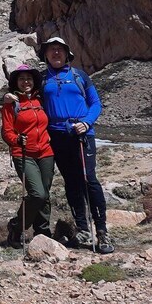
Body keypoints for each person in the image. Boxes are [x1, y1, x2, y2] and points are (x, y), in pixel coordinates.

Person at [38, 36, 114, 254]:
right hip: (57, 136)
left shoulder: (80, 76)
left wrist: (86, 122)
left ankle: (102, 231)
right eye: (51, 50)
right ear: (46, 55)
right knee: (71, 181)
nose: (55, 53)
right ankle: (82, 228)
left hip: (82, 134)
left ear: (67, 53)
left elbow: (95, 103)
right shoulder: (43, 80)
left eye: (59, 50)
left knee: (89, 179)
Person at [1, 64, 54, 248]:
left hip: (46, 152)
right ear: (16, 82)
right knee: (37, 194)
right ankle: (17, 226)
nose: (26, 82)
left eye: (29, 79)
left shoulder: (41, 100)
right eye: (22, 79)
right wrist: (17, 140)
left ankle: (43, 230)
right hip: (23, 153)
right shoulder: (11, 105)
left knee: (45, 194)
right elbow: (6, 132)